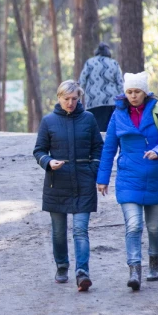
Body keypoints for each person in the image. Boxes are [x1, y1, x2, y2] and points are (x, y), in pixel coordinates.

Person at [96, 72, 158, 291]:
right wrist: (102, 179)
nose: (133, 96)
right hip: (128, 179)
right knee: (133, 226)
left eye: (137, 92)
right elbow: (109, 147)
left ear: (145, 92)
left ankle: (154, 261)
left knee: (154, 227)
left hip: (155, 177)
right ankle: (134, 270)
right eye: (129, 92)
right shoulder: (117, 115)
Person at [33, 80, 103, 291]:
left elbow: (98, 148)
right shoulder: (48, 121)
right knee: (58, 232)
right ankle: (62, 265)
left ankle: (82, 273)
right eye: (66, 99)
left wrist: (92, 170)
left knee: (81, 230)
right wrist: (48, 162)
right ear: (59, 98)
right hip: (57, 184)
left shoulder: (89, 119)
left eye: (74, 99)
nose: (71, 103)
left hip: (84, 183)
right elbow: (39, 150)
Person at [78, 42, 124, 132]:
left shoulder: (90, 63)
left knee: (96, 130)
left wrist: (79, 97)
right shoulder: (113, 63)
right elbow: (120, 83)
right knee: (110, 130)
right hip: (111, 102)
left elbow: (82, 81)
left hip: (93, 102)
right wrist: (122, 101)